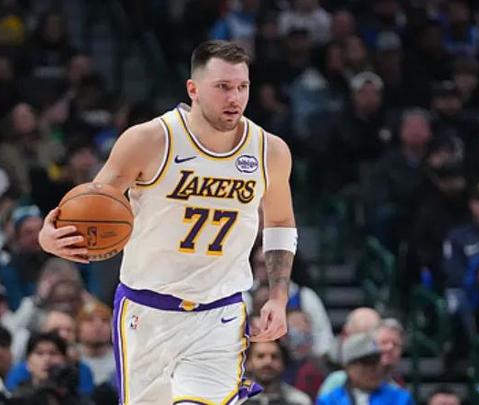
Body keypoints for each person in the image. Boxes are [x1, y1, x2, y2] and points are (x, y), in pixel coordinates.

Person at [39, 40, 297, 403]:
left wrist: (278, 297)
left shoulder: (270, 151)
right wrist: (50, 237)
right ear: (193, 89)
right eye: (223, 87)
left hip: (218, 315)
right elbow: (92, 207)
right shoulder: (148, 140)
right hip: (145, 311)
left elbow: (281, 223)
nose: (234, 98)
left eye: (243, 87)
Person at [317, 332, 414, 405]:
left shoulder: (400, 399)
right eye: (365, 363)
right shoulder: (330, 401)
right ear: (348, 367)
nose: (373, 369)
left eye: (376, 361)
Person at [244, 340, 312, 405]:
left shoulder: (299, 401)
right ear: (248, 363)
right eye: (260, 356)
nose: (268, 362)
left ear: (283, 363)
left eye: (274, 357)